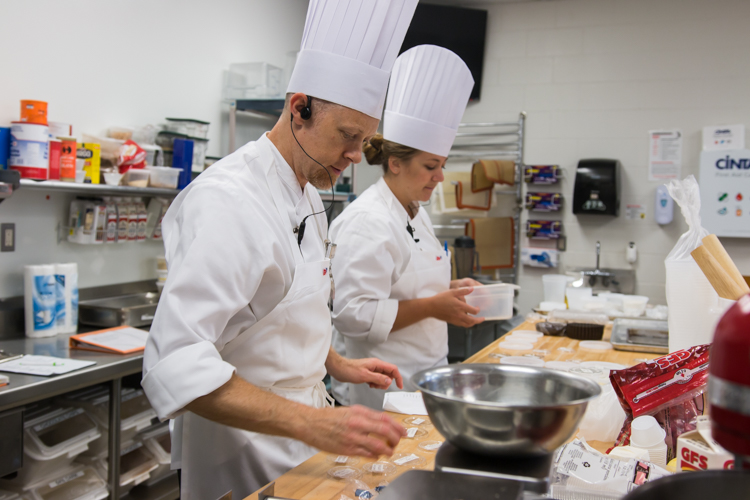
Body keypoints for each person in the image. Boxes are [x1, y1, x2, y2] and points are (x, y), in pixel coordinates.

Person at [140, 1, 418, 498]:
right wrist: (312, 423)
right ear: (300, 108)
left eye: (365, 140)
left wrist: (333, 363)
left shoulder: (306, 189)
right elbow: (177, 359)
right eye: (349, 137)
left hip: (300, 434)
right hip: (243, 447)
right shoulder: (228, 200)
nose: (357, 157)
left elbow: (281, 308)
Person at [329, 45, 485, 410]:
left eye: (441, 165)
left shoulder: (415, 209)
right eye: (431, 166)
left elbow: (399, 284)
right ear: (395, 164)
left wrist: (449, 290)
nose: (440, 177)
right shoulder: (368, 221)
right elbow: (354, 316)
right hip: (380, 395)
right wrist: (434, 306)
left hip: (423, 381)